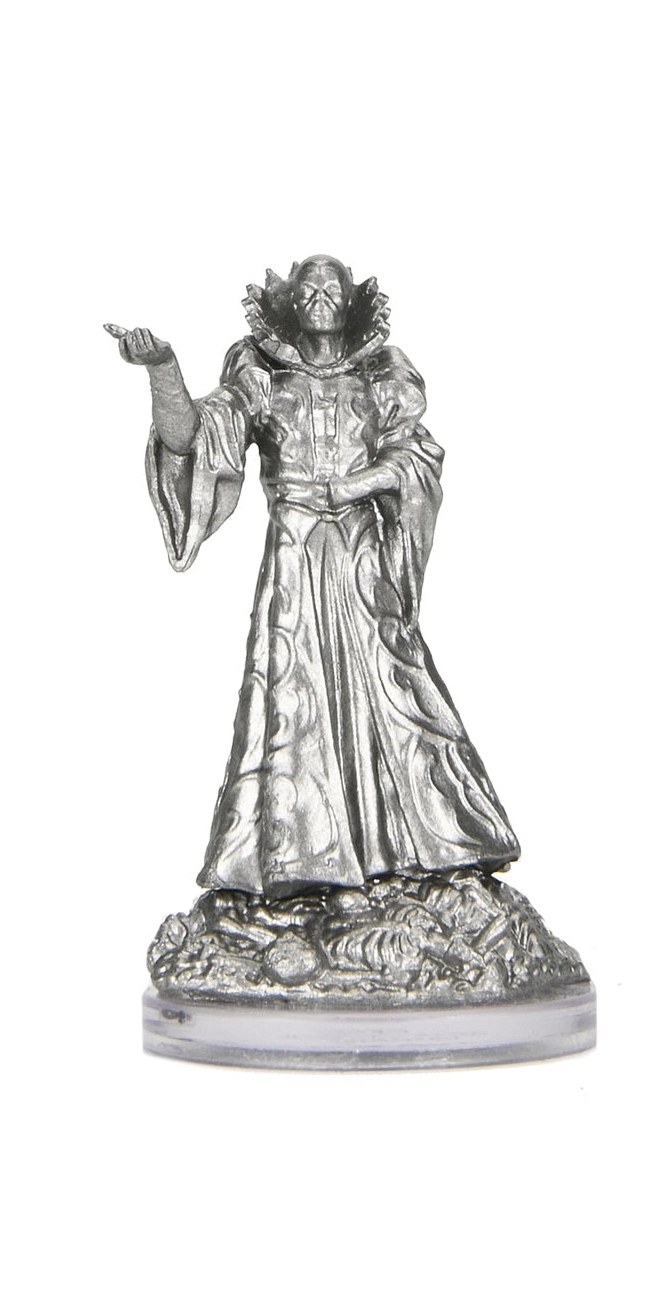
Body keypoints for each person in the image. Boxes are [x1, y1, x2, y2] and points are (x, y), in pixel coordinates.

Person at [111, 255, 518, 900]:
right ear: (288, 305)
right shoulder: (262, 379)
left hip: (361, 559)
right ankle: (306, 862)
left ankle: (425, 845)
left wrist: (350, 486)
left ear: (353, 303)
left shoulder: (380, 377)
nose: (321, 297)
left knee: (391, 683)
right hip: (294, 557)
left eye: (332, 288)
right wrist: (163, 369)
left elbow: (415, 460)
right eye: (308, 288)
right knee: (296, 696)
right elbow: (189, 437)